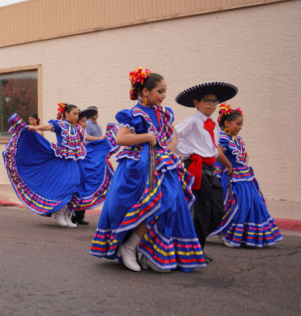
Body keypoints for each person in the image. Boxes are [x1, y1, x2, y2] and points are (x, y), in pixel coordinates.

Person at [90, 68, 205, 272]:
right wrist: (148, 138)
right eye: (160, 91)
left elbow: (173, 136)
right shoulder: (134, 114)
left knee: (167, 206)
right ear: (145, 91)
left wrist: (167, 150)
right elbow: (120, 138)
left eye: (164, 92)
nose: (163, 96)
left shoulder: (165, 113)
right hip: (139, 168)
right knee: (147, 206)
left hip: (162, 165)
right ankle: (129, 246)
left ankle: (148, 252)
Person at [175, 80, 238, 259]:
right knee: (200, 211)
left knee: (217, 210)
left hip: (210, 169)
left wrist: (227, 164)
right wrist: (187, 153)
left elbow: (214, 149)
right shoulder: (192, 122)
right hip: (196, 167)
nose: (211, 104)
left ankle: (196, 242)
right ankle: (197, 249)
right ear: (197, 103)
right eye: (207, 100)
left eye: (214, 101)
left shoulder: (215, 125)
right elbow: (173, 137)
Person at [2, 103, 86, 228]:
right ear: (66, 114)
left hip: (75, 162)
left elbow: (85, 138)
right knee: (66, 186)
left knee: (75, 187)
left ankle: (67, 216)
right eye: (74, 114)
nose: (76, 116)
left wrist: (100, 138)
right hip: (63, 161)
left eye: (77, 114)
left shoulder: (78, 128)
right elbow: (48, 127)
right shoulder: (60, 125)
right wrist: (35, 128)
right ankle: (58, 214)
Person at [210, 105, 282, 248]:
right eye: (238, 124)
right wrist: (229, 167)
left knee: (252, 204)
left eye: (241, 124)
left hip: (245, 177)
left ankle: (244, 235)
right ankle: (228, 233)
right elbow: (218, 153)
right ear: (226, 123)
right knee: (235, 205)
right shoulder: (222, 138)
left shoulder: (238, 139)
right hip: (232, 178)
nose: (240, 127)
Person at [71, 107, 110, 225]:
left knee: (85, 185)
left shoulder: (96, 126)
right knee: (78, 186)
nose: (84, 124)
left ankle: (79, 215)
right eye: (82, 121)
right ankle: (71, 214)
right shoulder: (79, 128)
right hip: (82, 158)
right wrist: (99, 140)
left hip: (88, 157)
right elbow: (87, 138)